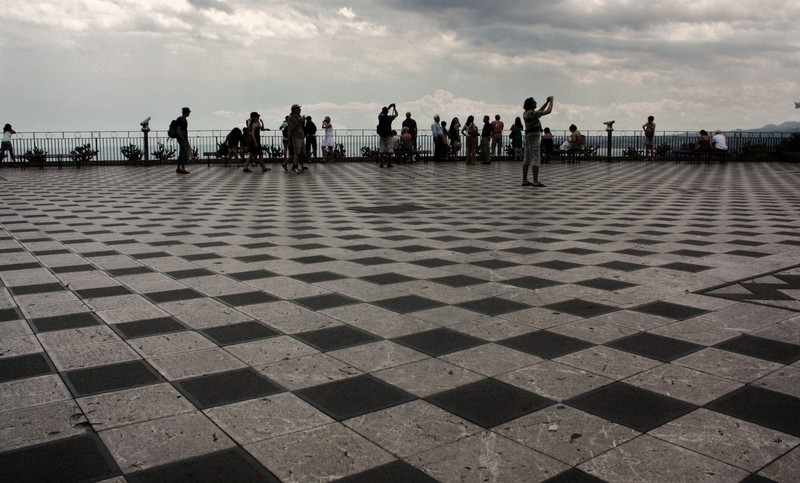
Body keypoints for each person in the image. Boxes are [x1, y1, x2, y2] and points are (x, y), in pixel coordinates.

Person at [522, 95, 553, 187]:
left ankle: (524, 180)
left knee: (526, 159)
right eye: (534, 102)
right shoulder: (531, 113)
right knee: (536, 159)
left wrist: (546, 102)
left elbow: (539, 111)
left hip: (527, 138)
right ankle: (536, 181)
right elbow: (548, 111)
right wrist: (551, 102)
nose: (536, 103)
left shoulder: (527, 113)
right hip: (534, 139)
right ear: (531, 105)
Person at [284, 104, 306, 173]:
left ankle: (296, 166)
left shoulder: (299, 116)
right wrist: (298, 121)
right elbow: (291, 128)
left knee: (300, 153)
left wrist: (303, 121)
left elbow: (302, 126)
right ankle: (294, 168)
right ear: (294, 110)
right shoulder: (290, 118)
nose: (300, 110)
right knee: (296, 153)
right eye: (298, 109)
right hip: (296, 137)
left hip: (301, 136)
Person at [377, 103, 398, 168]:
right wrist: (394, 108)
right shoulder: (390, 118)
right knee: (390, 150)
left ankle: (381, 163)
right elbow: (397, 114)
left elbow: (380, 114)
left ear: (383, 111)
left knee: (382, 150)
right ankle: (389, 163)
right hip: (389, 135)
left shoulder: (380, 117)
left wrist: (388, 107)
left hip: (382, 135)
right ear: (387, 112)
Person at [175, 107, 191, 174]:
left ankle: (178, 168)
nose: (189, 113)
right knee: (184, 153)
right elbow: (178, 130)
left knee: (181, 153)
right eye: (188, 112)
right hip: (181, 138)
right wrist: (183, 138)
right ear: (186, 112)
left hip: (183, 138)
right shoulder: (180, 119)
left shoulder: (184, 120)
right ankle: (183, 168)